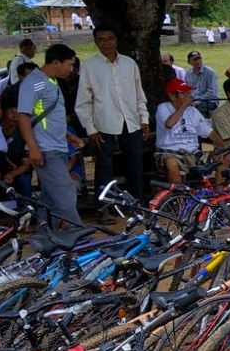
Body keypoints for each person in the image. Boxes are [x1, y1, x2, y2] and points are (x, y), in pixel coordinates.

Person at [78, 24, 150, 202]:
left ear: (116, 40)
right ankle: (103, 207)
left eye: (110, 38)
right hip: (104, 125)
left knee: (135, 165)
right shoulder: (89, 66)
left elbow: (139, 93)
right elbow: (84, 101)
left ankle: (137, 204)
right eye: (101, 39)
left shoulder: (129, 63)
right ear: (96, 42)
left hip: (131, 122)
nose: (107, 43)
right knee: (104, 168)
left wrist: (144, 118)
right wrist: (91, 129)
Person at [18, 44, 81, 226]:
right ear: (56, 62)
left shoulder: (51, 81)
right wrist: (33, 148)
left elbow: (49, 116)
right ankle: (79, 236)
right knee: (65, 192)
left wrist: (69, 136)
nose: (71, 69)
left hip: (56, 146)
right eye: (69, 65)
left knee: (51, 199)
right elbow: (23, 115)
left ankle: (47, 238)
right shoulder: (35, 82)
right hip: (46, 149)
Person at [154, 79, 209, 182]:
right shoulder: (163, 107)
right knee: (171, 163)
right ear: (172, 96)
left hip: (192, 152)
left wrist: (223, 145)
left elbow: (208, 132)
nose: (188, 96)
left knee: (220, 157)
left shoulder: (193, 110)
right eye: (183, 93)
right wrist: (183, 106)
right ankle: (180, 197)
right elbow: (169, 124)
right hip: (169, 153)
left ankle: (220, 195)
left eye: (188, 92)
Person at [186, 50, 220, 115]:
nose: (197, 61)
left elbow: (211, 92)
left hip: (209, 100)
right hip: (194, 100)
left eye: (199, 59)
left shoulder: (209, 72)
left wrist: (197, 102)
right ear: (189, 62)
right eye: (194, 60)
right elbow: (188, 91)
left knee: (198, 111)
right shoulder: (188, 73)